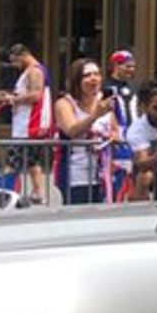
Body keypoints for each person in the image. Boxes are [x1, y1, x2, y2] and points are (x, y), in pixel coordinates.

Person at [55, 58, 122, 205]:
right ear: (76, 80)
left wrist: (114, 137)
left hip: (104, 173)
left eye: (97, 74)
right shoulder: (64, 103)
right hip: (76, 175)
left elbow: (116, 130)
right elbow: (72, 130)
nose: (93, 79)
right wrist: (95, 115)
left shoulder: (104, 101)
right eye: (87, 75)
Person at [0, 42, 52, 204]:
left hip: (29, 124)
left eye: (14, 61)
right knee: (33, 160)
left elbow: (35, 95)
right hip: (30, 123)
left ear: (22, 56)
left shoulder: (34, 71)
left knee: (12, 160)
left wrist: (12, 99)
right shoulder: (33, 71)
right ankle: (38, 192)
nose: (14, 65)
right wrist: (12, 96)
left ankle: (5, 191)